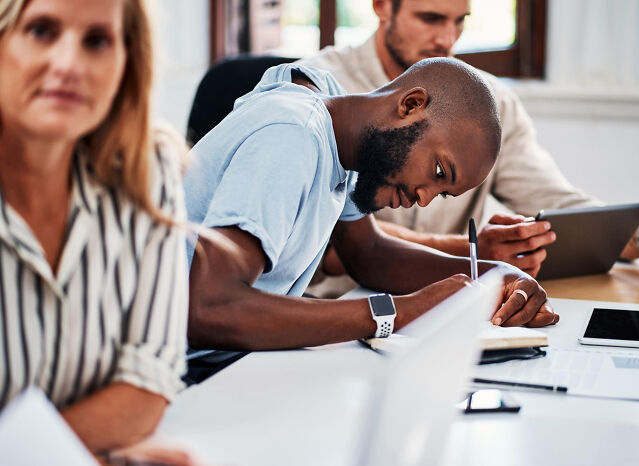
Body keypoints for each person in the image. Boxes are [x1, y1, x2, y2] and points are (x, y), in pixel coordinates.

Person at [184, 58, 559, 357]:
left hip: (228, 356)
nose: (424, 198)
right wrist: (396, 312)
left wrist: (497, 276)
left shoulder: (337, 116)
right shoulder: (294, 134)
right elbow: (211, 307)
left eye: (442, 193)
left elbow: (368, 253)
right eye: (438, 171)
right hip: (174, 366)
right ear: (411, 105)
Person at [300, 0, 639, 297]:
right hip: (336, 311)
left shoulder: (488, 106)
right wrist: (471, 254)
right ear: (381, 6)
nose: (446, 38)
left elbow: (558, 207)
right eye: (431, 18)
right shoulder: (319, 95)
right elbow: (329, 241)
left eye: (460, 21)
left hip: (450, 309)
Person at [0, 0, 190, 459]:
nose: (69, 65)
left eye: (97, 41)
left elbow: (148, 383)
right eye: (42, 30)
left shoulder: (148, 173)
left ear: (126, 62)